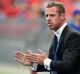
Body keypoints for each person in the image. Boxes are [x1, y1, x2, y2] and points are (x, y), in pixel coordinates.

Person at [15, 2, 80, 74]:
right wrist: (33, 64)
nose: (48, 19)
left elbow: (67, 66)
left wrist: (44, 60)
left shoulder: (73, 36)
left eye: (52, 15)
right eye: (46, 16)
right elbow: (53, 65)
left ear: (62, 16)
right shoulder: (57, 35)